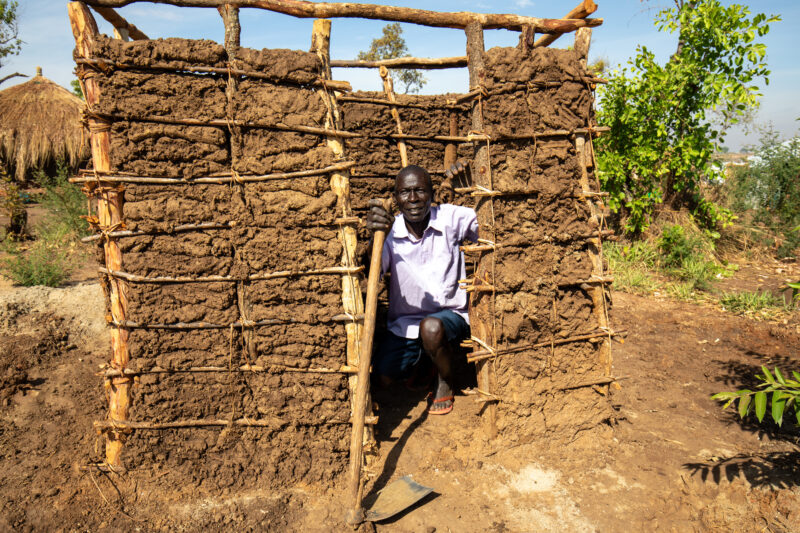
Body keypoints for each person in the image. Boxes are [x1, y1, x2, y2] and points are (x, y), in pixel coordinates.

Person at [365, 163, 477, 415]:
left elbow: (493, 229)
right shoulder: (390, 231)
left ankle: (445, 379)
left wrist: (472, 193)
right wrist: (374, 237)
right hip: (405, 323)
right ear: (396, 199)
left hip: (449, 317)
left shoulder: (451, 218)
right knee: (383, 379)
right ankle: (427, 364)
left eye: (420, 191)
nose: (413, 199)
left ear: (432, 194)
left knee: (431, 327)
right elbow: (372, 270)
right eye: (405, 192)